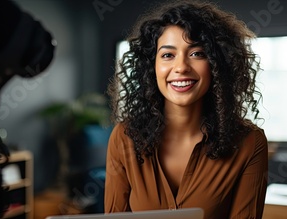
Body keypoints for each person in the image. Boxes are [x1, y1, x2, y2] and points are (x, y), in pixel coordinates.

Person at [105, 0, 268, 218]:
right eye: (167, 55)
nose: (181, 67)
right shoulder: (124, 138)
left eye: (197, 53)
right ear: (151, 67)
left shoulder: (249, 143)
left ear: (216, 64)